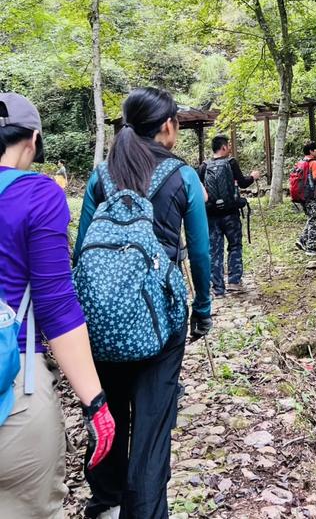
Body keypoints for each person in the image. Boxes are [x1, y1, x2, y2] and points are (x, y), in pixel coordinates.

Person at [75, 87, 212, 519]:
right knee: (152, 427)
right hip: (160, 320)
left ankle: (106, 502)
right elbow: (200, 252)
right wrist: (202, 309)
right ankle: (145, 510)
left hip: (104, 316)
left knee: (110, 409)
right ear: (168, 126)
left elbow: (81, 252)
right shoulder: (182, 175)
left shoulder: (101, 176)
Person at [0, 92, 115, 519]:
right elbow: (55, 305)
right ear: (33, 140)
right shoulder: (37, 193)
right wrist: (95, 402)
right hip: (14, 389)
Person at [199, 134, 260, 296]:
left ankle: (217, 287)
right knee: (234, 246)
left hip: (211, 215)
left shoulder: (204, 166)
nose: (230, 148)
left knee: (215, 250)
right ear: (224, 147)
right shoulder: (231, 163)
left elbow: (199, 189)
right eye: (229, 145)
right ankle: (234, 282)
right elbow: (243, 183)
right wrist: (253, 177)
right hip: (231, 214)